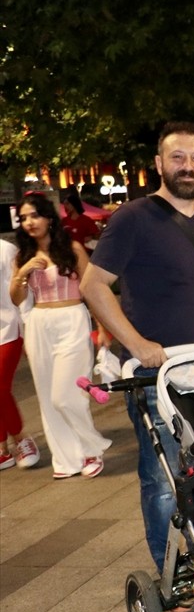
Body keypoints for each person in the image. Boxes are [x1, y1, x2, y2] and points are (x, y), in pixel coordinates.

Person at [81, 121, 194, 580]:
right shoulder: (133, 217)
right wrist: (137, 344)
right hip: (154, 375)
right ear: (159, 164)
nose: (187, 166)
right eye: (177, 157)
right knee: (161, 479)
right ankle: (172, 572)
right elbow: (93, 285)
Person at [9, 193, 111, 479]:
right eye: (24, 218)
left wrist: (103, 328)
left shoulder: (72, 248)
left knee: (66, 395)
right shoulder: (23, 256)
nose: (29, 222)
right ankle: (67, 460)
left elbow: (93, 290)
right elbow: (16, 299)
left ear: (49, 218)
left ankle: (91, 449)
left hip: (72, 320)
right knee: (46, 396)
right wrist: (22, 273)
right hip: (39, 324)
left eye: (35, 215)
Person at [1, 238, 42, 470]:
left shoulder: (5, 250)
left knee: (0, 388)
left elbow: (23, 294)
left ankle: (20, 438)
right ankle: (3, 450)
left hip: (7, 329)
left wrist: (28, 330)